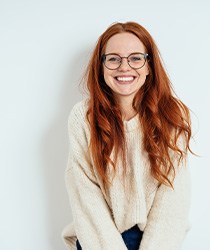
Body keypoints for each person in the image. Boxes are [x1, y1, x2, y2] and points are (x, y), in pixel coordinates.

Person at [62, 21, 194, 250]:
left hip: (154, 240)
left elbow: (173, 199)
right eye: (113, 58)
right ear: (101, 66)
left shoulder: (173, 115)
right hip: (98, 239)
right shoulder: (83, 117)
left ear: (149, 65)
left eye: (135, 58)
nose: (124, 67)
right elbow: (85, 196)